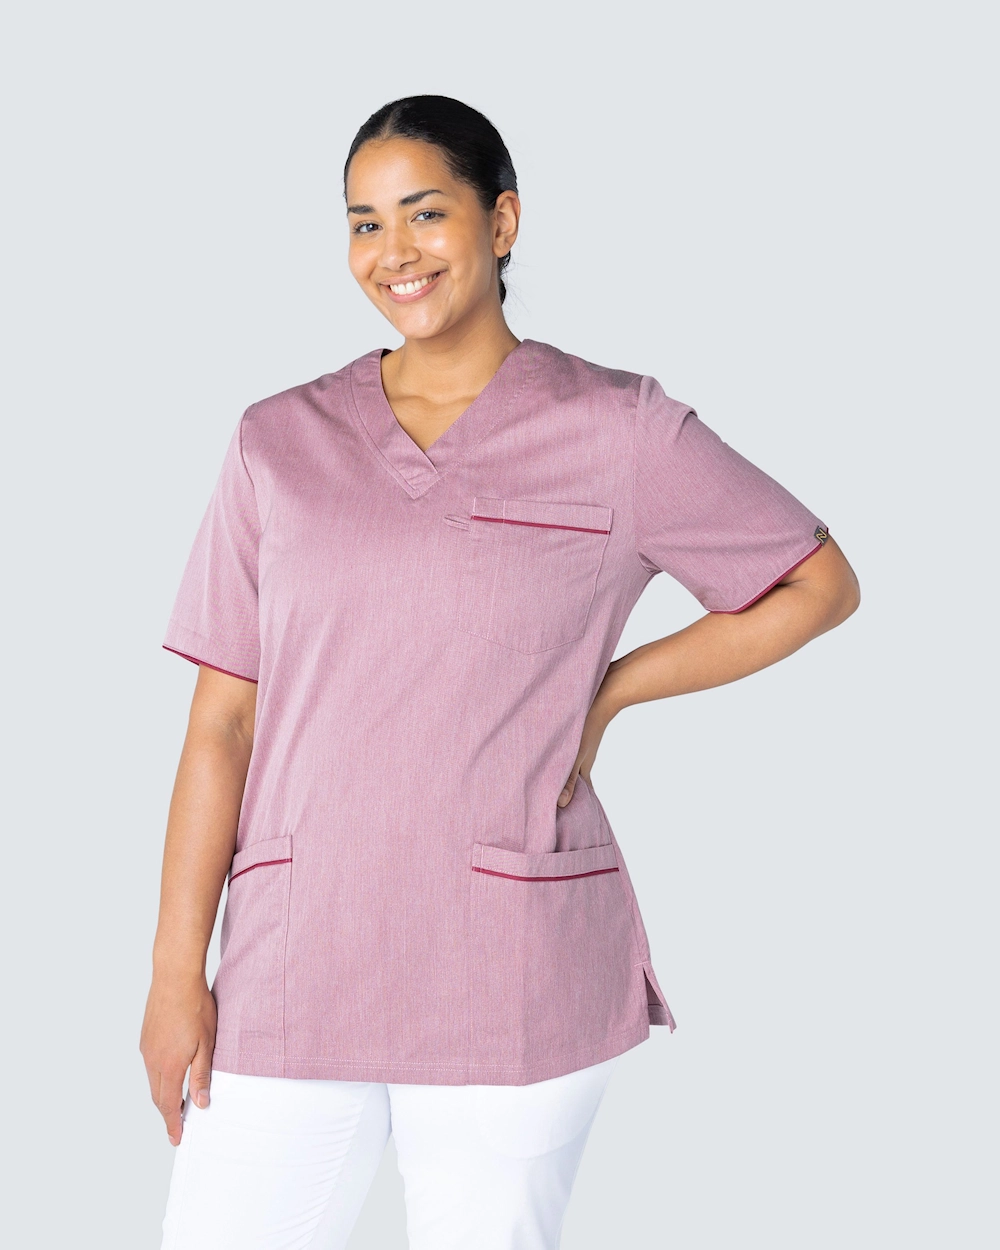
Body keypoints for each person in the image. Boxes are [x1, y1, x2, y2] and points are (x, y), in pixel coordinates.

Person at [140, 95, 860, 1250]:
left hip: (509, 960)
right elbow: (222, 721)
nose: (394, 252)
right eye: (365, 223)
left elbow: (814, 582)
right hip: (293, 956)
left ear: (503, 220)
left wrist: (612, 688)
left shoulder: (620, 429)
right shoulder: (277, 440)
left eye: (425, 213)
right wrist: (176, 972)